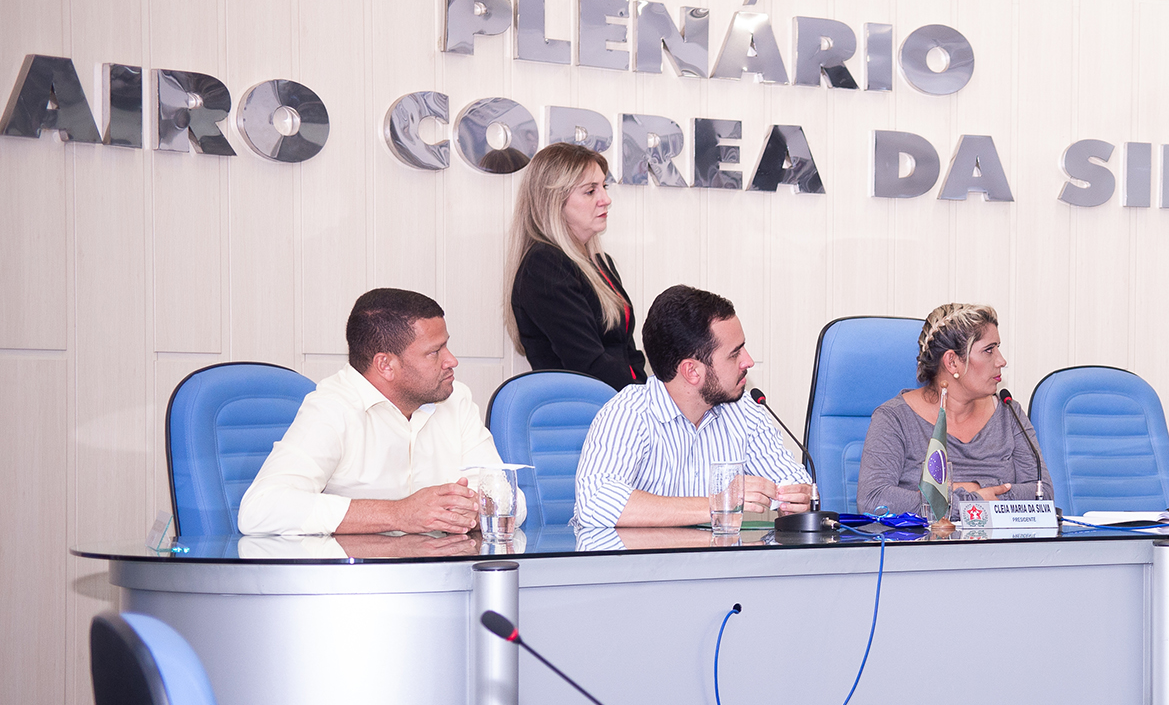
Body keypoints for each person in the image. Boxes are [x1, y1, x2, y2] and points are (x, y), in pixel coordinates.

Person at [238, 288, 516, 536]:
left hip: (441, 571)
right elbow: (260, 509)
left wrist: (471, 512)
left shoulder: (456, 399)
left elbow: (512, 501)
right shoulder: (333, 407)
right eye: (435, 352)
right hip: (357, 575)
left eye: (446, 345)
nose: (451, 360)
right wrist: (398, 514)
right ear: (385, 365)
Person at [572, 284, 814, 527]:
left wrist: (797, 500)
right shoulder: (629, 413)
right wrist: (718, 503)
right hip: (643, 553)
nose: (748, 361)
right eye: (734, 354)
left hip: (714, 552)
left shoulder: (744, 409)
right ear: (692, 371)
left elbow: (793, 482)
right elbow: (595, 503)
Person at [856, 303, 1052, 514]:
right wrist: (972, 501)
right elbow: (872, 499)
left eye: (998, 348)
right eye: (989, 350)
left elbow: (1043, 494)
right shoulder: (894, 418)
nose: (1001, 361)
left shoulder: (1009, 412)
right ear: (952, 362)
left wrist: (959, 492)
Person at [507, 141, 645, 386]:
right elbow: (587, 362)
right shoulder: (545, 265)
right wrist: (641, 399)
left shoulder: (601, 263)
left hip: (621, 400)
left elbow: (627, 351)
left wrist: (646, 393)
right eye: (590, 191)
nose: (606, 199)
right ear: (554, 201)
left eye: (604, 187)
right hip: (585, 405)